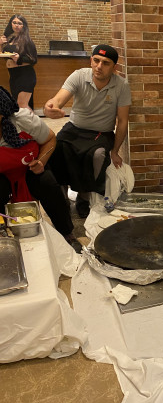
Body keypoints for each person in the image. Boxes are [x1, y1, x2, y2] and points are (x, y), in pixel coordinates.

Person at [43, 44, 131, 218]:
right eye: (96, 60)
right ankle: (62, 198)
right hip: (74, 129)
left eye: (105, 63)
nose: (99, 66)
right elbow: (58, 99)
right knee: (56, 149)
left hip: (101, 134)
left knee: (97, 155)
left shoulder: (121, 85)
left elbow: (122, 121)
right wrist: (51, 107)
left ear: (114, 67)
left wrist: (115, 151)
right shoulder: (79, 76)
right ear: (91, 60)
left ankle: (84, 197)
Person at [0, 86, 82, 253]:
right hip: (2, 176)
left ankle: (66, 232)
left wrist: (41, 161)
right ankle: (3, 236)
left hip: (28, 169)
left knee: (48, 184)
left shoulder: (23, 119)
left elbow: (50, 139)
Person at [0, 14, 37, 110]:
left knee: (22, 106)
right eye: (14, 22)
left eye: (20, 23)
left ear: (24, 26)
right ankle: (30, 120)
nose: (16, 25)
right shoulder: (11, 39)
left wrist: (19, 59)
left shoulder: (27, 40)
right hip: (14, 76)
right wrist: (0, 44)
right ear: (11, 24)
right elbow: (2, 54)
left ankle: (35, 120)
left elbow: (34, 60)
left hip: (25, 75)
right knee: (20, 106)